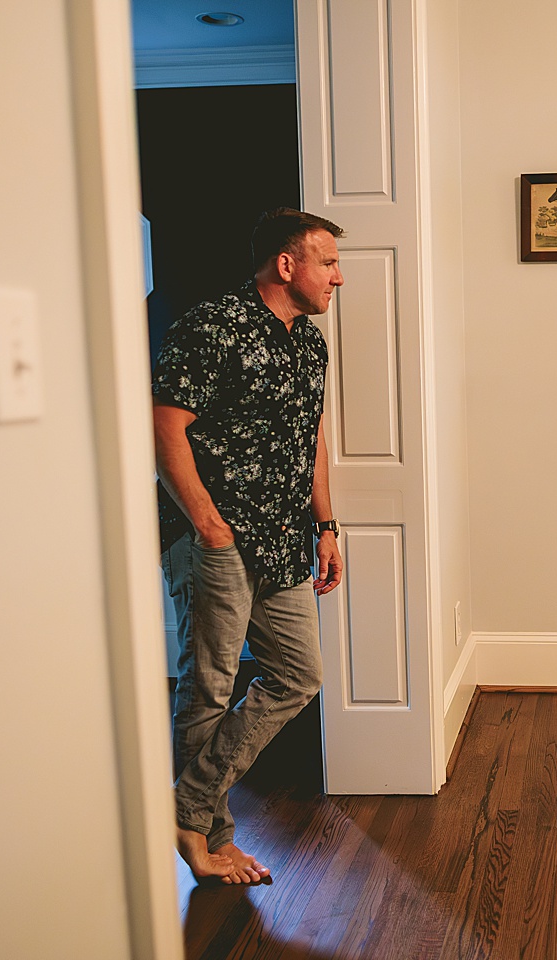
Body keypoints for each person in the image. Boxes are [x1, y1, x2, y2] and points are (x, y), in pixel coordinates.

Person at [152, 208, 346, 883]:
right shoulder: (213, 325)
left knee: (298, 674)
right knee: (208, 685)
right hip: (219, 534)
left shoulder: (309, 343)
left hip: (287, 536)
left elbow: (309, 437)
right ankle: (209, 839)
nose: (338, 278)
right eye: (327, 263)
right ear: (286, 265)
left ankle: (186, 808)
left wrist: (326, 525)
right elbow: (165, 424)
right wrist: (208, 524)